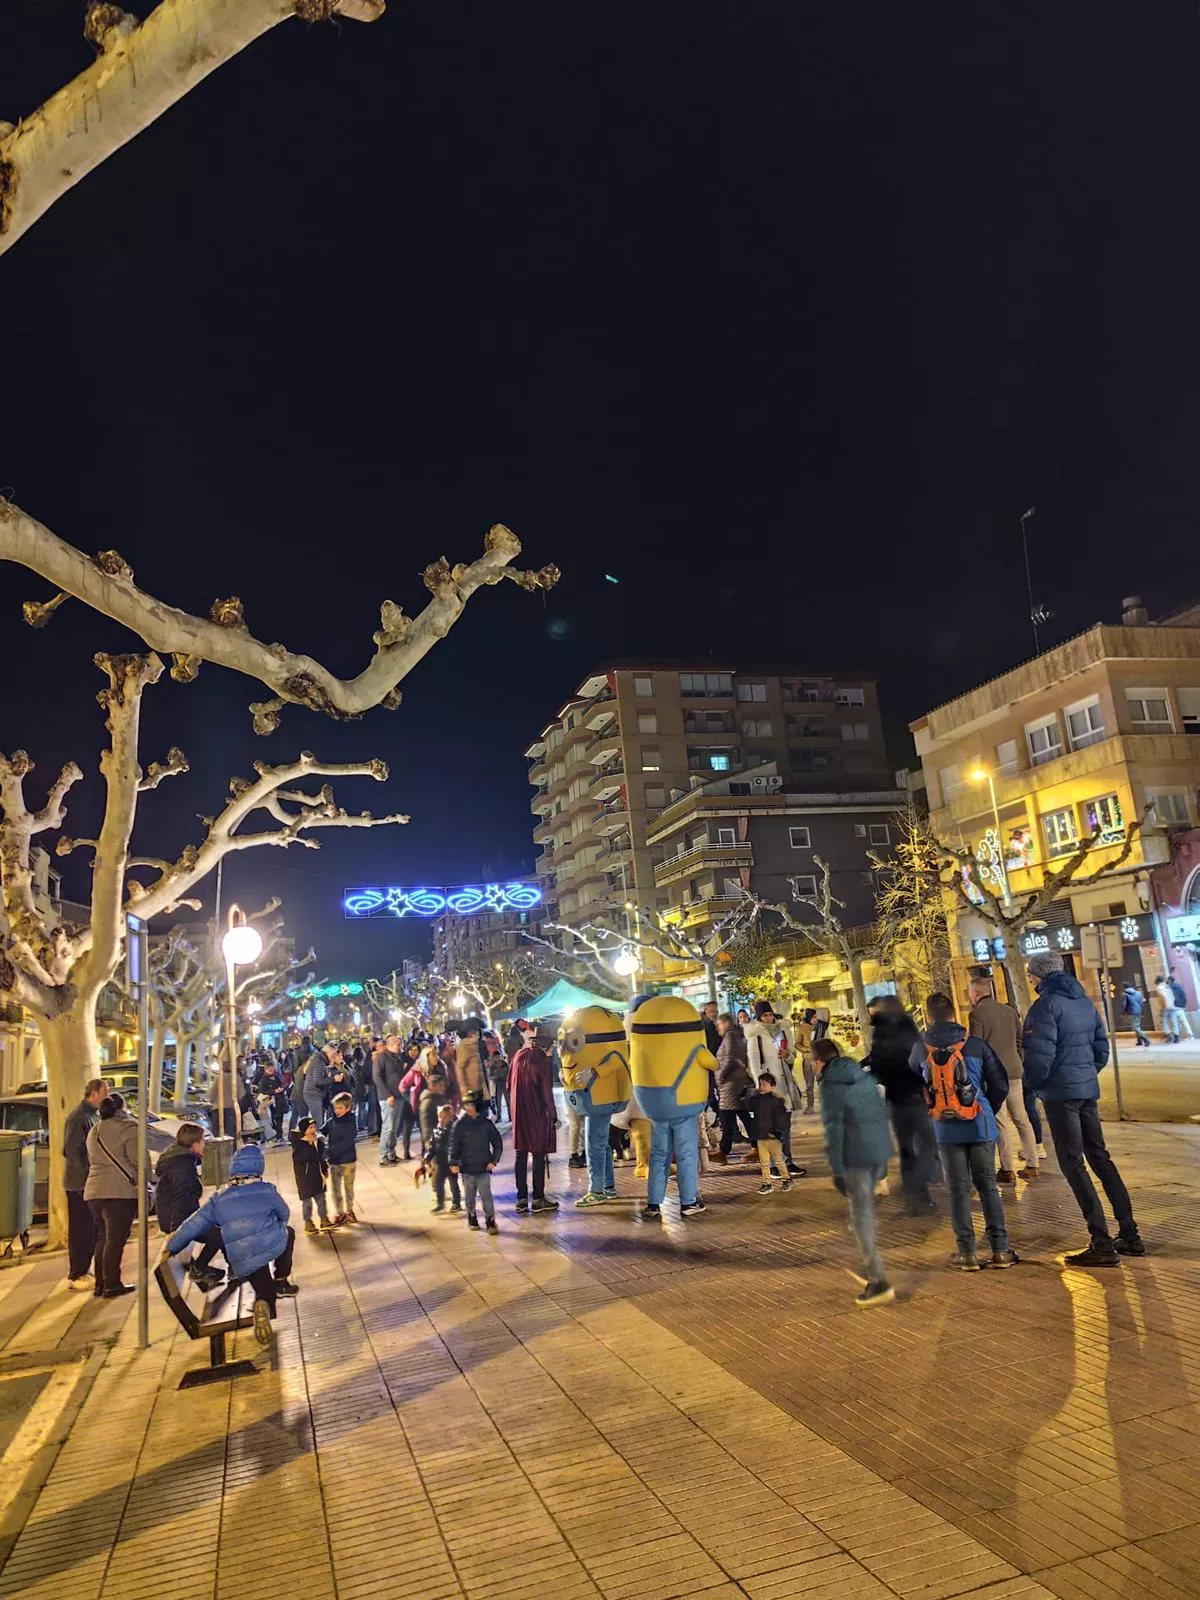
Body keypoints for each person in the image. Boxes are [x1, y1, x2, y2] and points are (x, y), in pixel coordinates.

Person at [1023, 950, 1145, 1265]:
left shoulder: (1044, 1006)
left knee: (1073, 1163)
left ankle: (1102, 1243)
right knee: (1100, 1158)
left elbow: (1038, 1058)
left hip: (1060, 1095)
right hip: (1086, 1090)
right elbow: (1100, 1048)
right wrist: (1085, 1074)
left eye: (1031, 974)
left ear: (1040, 975)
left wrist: (1034, 1086)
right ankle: (1130, 1235)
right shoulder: (1083, 1003)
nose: (1030, 979)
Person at [915, 994, 1017, 1272]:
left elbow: (917, 1088)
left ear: (928, 1017)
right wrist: (982, 1106)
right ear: (953, 1015)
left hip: (945, 1130)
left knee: (958, 1190)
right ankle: (1000, 1250)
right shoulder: (975, 1045)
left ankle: (967, 1253)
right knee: (987, 1186)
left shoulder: (919, 1050)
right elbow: (1000, 1083)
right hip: (979, 1125)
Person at [167, 1144, 297, 1346]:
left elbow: (193, 1225)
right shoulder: (266, 1190)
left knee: (260, 1279)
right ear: (259, 1167)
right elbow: (284, 1214)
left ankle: (263, 1300)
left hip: (242, 1256)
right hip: (270, 1243)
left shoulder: (218, 1198)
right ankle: (280, 1280)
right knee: (287, 1234)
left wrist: (173, 1245)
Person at [815, 1038, 895, 1307]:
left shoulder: (830, 1085)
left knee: (861, 1218)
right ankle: (868, 1265)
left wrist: (837, 1170)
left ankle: (877, 1280)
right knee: (861, 1216)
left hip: (855, 1156)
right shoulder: (863, 1077)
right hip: (875, 1151)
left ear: (819, 1061)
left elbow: (835, 1128)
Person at [864, 997, 937, 1215]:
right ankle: (921, 1190)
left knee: (907, 1149)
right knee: (925, 1143)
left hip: (897, 1097)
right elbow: (920, 1060)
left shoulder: (881, 1032)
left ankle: (915, 1198)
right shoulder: (909, 1027)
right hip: (916, 1094)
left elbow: (878, 1064)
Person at [967, 974, 1039, 1182]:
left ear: (977, 993)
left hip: (993, 1074)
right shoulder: (1009, 1011)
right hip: (1015, 1070)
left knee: (1000, 1121)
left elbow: (976, 1046)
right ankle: (1032, 1163)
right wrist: (1017, 1060)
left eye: (971, 992)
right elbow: (1019, 1041)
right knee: (1021, 1117)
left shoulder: (977, 1015)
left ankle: (1007, 1169)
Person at [83, 1093, 149, 1298]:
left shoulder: (94, 1130)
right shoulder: (128, 1128)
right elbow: (140, 1162)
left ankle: (101, 1284)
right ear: (122, 1108)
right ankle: (112, 1283)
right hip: (119, 1192)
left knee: (103, 1237)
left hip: (94, 1192)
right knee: (115, 1239)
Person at [743, 1002, 804, 1175]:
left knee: (785, 1126)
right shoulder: (756, 1035)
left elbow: (792, 1056)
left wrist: (788, 1055)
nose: (769, 1018)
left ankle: (787, 1160)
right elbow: (754, 1063)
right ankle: (773, 1165)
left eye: (770, 1014)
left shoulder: (783, 1031)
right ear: (759, 1018)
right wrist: (761, 1087)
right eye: (765, 1016)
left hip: (785, 1086)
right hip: (768, 1088)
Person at [63, 1077, 109, 1290]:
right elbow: (72, 1151)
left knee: (91, 1228)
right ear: (96, 1093)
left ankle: (83, 1270)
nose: (106, 1097)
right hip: (79, 1184)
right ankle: (77, 1272)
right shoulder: (79, 1117)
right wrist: (88, 1174)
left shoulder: (92, 1115)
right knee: (81, 1228)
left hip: (88, 1182)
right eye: (105, 1092)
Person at [509, 1023, 559, 1214]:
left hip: (519, 1113)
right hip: (537, 1113)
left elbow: (508, 1084)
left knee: (520, 1155)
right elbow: (547, 1093)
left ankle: (521, 1199)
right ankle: (538, 1197)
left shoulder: (518, 1056)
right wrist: (553, 1117)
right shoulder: (543, 1061)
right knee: (538, 1155)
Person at [449, 1091, 502, 1232]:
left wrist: (494, 1161)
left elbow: (497, 1142)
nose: (469, 1107)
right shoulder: (459, 1125)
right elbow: (454, 1145)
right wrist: (453, 1162)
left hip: (483, 1167)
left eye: (471, 1104)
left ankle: (490, 1220)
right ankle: (471, 1216)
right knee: (469, 1196)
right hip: (467, 1168)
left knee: (486, 1197)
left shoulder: (485, 1124)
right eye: (466, 1104)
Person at [712, 1014, 752, 1162]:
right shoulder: (735, 1035)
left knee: (726, 1116)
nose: (718, 1028)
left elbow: (730, 1058)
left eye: (720, 1024)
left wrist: (720, 1075)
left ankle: (724, 1150)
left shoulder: (730, 1036)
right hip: (734, 1082)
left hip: (730, 1083)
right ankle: (756, 1145)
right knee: (741, 1114)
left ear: (726, 1023)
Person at [747, 1073, 795, 1194]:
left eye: (764, 1084)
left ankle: (786, 1179)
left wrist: (777, 1132)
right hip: (761, 1136)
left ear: (772, 1086)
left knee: (778, 1160)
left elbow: (780, 1119)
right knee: (764, 1162)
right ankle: (767, 1183)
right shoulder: (757, 1100)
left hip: (772, 1137)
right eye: (760, 1084)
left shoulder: (775, 1102)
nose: (761, 1087)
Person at [290, 1115, 332, 1234]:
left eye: (314, 1127)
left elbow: (321, 1158)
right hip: (305, 1179)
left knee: (321, 1200)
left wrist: (324, 1169)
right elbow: (300, 1159)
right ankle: (308, 1222)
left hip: (318, 1177)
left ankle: (324, 1219)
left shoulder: (318, 1143)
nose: (313, 1130)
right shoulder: (298, 1145)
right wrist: (309, 1145)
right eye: (310, 1128)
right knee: (307, 1203)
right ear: (304, 1131)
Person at [322, 1092, 358, 1225]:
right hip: (334, 1162)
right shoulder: (332, 1121)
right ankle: (340, 1212)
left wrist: (329, 1153)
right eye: (335, 1108)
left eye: (340, 1108)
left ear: (348, 1108)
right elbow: (322, 1130)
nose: (337, 1111)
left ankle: (349, 1211)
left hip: (347, 1160)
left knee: (348, 1187)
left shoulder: (351, 1122)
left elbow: (347, 1142)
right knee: (335, 1188)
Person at [372, 1033, 407, 1165]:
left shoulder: (397, 1058)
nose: (401, 1047)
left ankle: (391, 1153)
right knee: (388, 1126)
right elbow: (377, 1077)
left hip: (399, 1096)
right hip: (388, 1098)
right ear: (391, 1045)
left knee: (395, 1127)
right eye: (399, 1044)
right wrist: (387, 1095)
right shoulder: (381, 1058)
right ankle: (384, 1155)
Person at [395, 1042, 429, 1162]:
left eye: (416, 1050)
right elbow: (402, 1083)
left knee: (423, 1127)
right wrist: (408, 1097)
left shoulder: (422, 1063)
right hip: (408, 1100)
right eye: (411, 1050)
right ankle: (406, 1151)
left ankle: (425, 1151)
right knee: (407, 1127)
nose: (413, 1052)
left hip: (420, 1099)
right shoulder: (404, 1062)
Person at [426, 1104, 461, 1213]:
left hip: (450, 1162)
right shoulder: (437, 1129)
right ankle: (440, 1203)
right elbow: (432, 1145)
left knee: (453, 1183)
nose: (442, 1120)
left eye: (444, 1117)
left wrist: (456, 1161)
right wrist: (427, 1157)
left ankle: (456, 1202)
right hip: (440, 1162)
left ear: (451, 1117)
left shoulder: (454, 1130)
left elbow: (455, 1146)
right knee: (439, 1182)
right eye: (440, 1117)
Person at [304, 1041, 340, 1126]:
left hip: (315, 1093)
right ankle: (317, 1137)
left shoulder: (321, 1060)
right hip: (313, 1094)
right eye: (333, 1054)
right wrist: (333, 1079)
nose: (334, 1056)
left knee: (319, 1119)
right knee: (318, 1120)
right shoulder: (319, 1062)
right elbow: (318, 1082)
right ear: (327, 1053)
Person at [253, 1056, 289, 1142]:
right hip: (271, 1103)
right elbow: (262, 1092)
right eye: (269, 1069)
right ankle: (276, 1135)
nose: (271, 1070)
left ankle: (279, 1135)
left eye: (272, 1068)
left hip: (280, 1100)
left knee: (280, 1118)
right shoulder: (263, 1080)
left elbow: (284, 1083)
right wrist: (274, 1091)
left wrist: (282, 1088)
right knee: (274, 1119)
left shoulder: (277, 1075)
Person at [1155, 971, 1194, 1042]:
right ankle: (1185, 1035)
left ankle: (1170, 1035)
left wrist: (1164, 1006)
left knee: (1165, 1021)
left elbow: (1162, 997)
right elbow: (1182, 996)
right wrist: (1182, 1005)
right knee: (1181, 1021)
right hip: (1177, 1006)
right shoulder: (1175, 986)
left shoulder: (1162, 987)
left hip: (1169, 1006)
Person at [418, 1069, 450, 1155]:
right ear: (432, 1086)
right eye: (440, 1086)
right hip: (435, 1145)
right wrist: (430, 1147)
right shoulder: (427, 1102)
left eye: (443, 1085)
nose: (443, 1088)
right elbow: (426, 1128)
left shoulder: (441, 1098)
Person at [455, 1018, 487, 1099]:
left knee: (483, 1110)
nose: (478, 1033)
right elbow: (460, 1069)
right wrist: (465, 1092)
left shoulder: (477, 1044)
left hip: (481, 1090)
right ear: (470, 1032)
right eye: (476, 1031)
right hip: (471, 1092)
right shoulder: (464, 1046)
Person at [792, 1009, 816, 1113]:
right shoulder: (801, 1028)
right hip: (808, 1059)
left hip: (820, 1059)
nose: (815, 1019)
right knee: (809, 1084)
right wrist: (807, 1049)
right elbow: (797, 1044)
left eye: (816, 1017)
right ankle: (810, 1105)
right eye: (813, 1017)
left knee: (823, 1082)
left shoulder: (820, 1027)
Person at [1121, 982, 1151, 1047]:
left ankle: (1145, 1038)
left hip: (1132, 1011)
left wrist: (1123, 1012)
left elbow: (1124, 1004)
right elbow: (1141, 1002)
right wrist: (1142, 1011)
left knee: (1134, 1027)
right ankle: (1139, 1041)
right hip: (1139, 1011)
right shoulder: (1138, 993)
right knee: (1137, 1026)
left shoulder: (1125, 994)